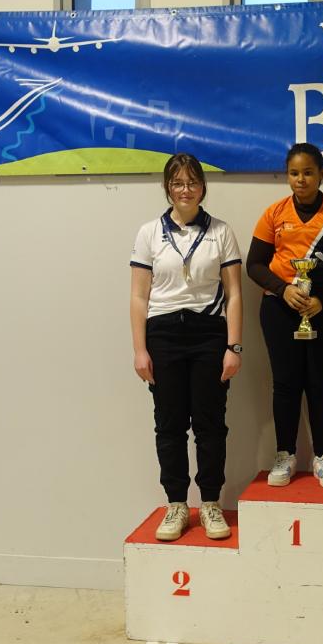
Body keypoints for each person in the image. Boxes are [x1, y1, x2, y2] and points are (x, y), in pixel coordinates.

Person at [129, 153, 244, 542]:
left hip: (209, 333)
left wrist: (234, 346)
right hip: (162, 335)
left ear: (203, 187)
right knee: (170, 423)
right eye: (177, 183)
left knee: (210, 424)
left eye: (192, 182)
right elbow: (138, 296)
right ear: (167, 188)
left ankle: (210, 502)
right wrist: (140, 350)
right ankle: (176, 503)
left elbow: (234, 293)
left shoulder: (221, 232)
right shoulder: (148, 233)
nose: (185, 189)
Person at [247, 143, 323, 488]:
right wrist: (283, 289)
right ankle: (284, 454)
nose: (301, 180)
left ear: (321, 174)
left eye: (308, 173)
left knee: (321, 385)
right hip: (279, 310)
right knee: (285, 384)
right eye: (294, 173)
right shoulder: (274, 213)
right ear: (288, 175)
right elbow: (255, 264)